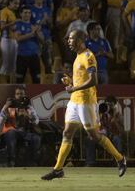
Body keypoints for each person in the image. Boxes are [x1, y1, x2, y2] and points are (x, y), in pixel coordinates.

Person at [41, 30, 126, 180]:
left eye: (71, 38)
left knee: (93, 135)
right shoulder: (77, 57)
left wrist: (74, 88)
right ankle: (58, 169)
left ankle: (120, 159)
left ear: (81, 39)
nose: (68, 41)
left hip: (86, 101)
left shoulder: (88, 56)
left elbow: (94, 81)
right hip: (74, 101)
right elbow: (82, 80)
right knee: (67, 133)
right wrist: (71, 83)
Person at [0, 85, 40, 166]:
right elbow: (0, 121)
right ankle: (11, 161)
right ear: (15, 95)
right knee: (12, 133)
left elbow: (36, 122)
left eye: (21, 94)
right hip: (10, 131)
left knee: (36, 138)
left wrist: (27, 115)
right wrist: (5, 107)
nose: (19, 96)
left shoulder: (28, 107)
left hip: (24, 133)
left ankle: (32, 161)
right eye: (17, 94)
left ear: (24, 95)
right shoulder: (8, 106)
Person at [85, 95, 124, 166]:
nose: (108, 106)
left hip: (112, 137)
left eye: (110, 105)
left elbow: (120, 131)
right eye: (107, 104)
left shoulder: (117, 115)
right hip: (100, 136)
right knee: (89, 139)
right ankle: (90, 162)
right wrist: (99, 114)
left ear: (115, 105)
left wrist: (114, 118)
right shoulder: (100, 112)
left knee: (117, 139)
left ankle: (119, 162)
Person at [12, 6, 44, 84]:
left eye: (29, 13)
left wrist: (36, 33)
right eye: (25, 12)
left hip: (34, 56)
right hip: (22, 55)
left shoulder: (34, 26)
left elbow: (42, 40)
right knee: (19, 79)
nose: (27, 14)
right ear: (21, 14)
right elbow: (17, 39)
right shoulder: (18, 25)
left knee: (36, 79)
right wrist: (31, 34)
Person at [0, 0, 20, 81]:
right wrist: (14, 22)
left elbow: (13, 27)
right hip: (6, 40)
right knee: (6, 64)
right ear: (10, 2)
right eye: (15, 3)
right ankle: (2, 83)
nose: (17, 5)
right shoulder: (5, 11)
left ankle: (11, 84)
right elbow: (2, 26)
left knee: (13, 65)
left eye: (18, 3)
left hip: (13, 39)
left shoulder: (13, 12)